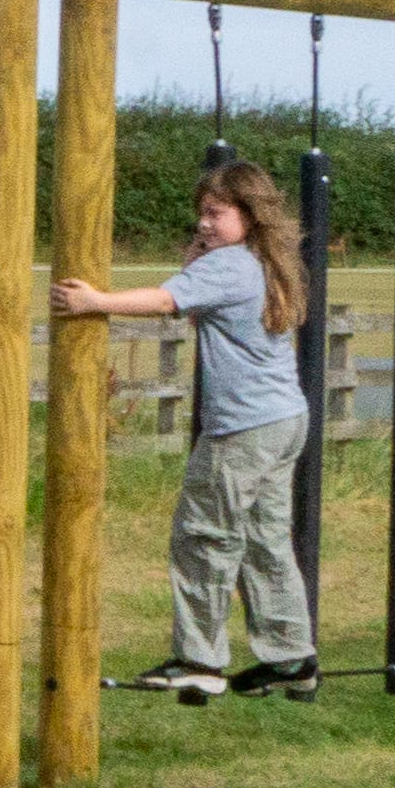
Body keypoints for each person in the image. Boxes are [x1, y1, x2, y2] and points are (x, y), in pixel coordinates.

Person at [54, 160, 316, 699]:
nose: (204, 223)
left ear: (249, 214)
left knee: (203, 537)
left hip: (241, 429)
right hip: (284, 420)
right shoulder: (262, 263)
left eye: (216, 213)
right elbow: (197, 306)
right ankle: (292, 658)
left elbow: (166, 301)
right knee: (266, 539)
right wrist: (193, 262)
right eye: (201, 212)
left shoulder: (229, 268)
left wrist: (94, 302)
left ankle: (200, 659)